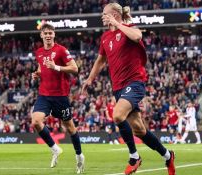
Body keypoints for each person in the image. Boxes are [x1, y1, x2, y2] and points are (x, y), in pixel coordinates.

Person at [81, 3, 175, 175]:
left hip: (134, 82)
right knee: (139, 129)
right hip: (118, 87)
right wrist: (89, 79)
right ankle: (168, 155)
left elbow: (138, 36)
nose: (102, 16)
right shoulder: (105, 37)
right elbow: (100, 61)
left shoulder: (128, 27)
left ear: (115, 14)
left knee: (117, 115)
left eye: (105, 14)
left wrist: (118, 24)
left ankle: (134, 157)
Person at [31, 23, 84, 174]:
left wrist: (57, 67)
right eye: (45, 33)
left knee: (70, 128)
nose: (48, 35)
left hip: (60, 96)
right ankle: (55, 149)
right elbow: (42, 68)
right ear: (41, 35)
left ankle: (79, 156)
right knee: (35, 121)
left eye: (50, 33)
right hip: (44, 95)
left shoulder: (61, 50)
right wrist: (37, 74)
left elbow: (75, 69)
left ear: (54, 34)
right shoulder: (39, 52)